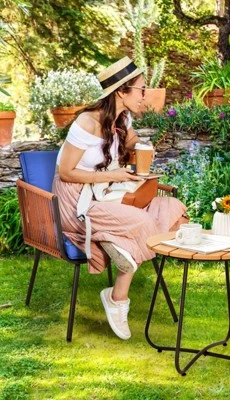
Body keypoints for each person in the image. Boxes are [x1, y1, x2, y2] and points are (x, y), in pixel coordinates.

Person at [53, 56, 188, 340]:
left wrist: (141, 149)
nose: (145, 95)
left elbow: (132, 145)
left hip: (108, 194)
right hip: (79, 200)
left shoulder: (122, 119)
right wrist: (115, 175)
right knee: (143, 221)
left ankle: (118, 243)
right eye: (141, 89)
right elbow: (66, 172)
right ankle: (118, 297)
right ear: (121, 92)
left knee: (174, 209)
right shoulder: (86, 122)